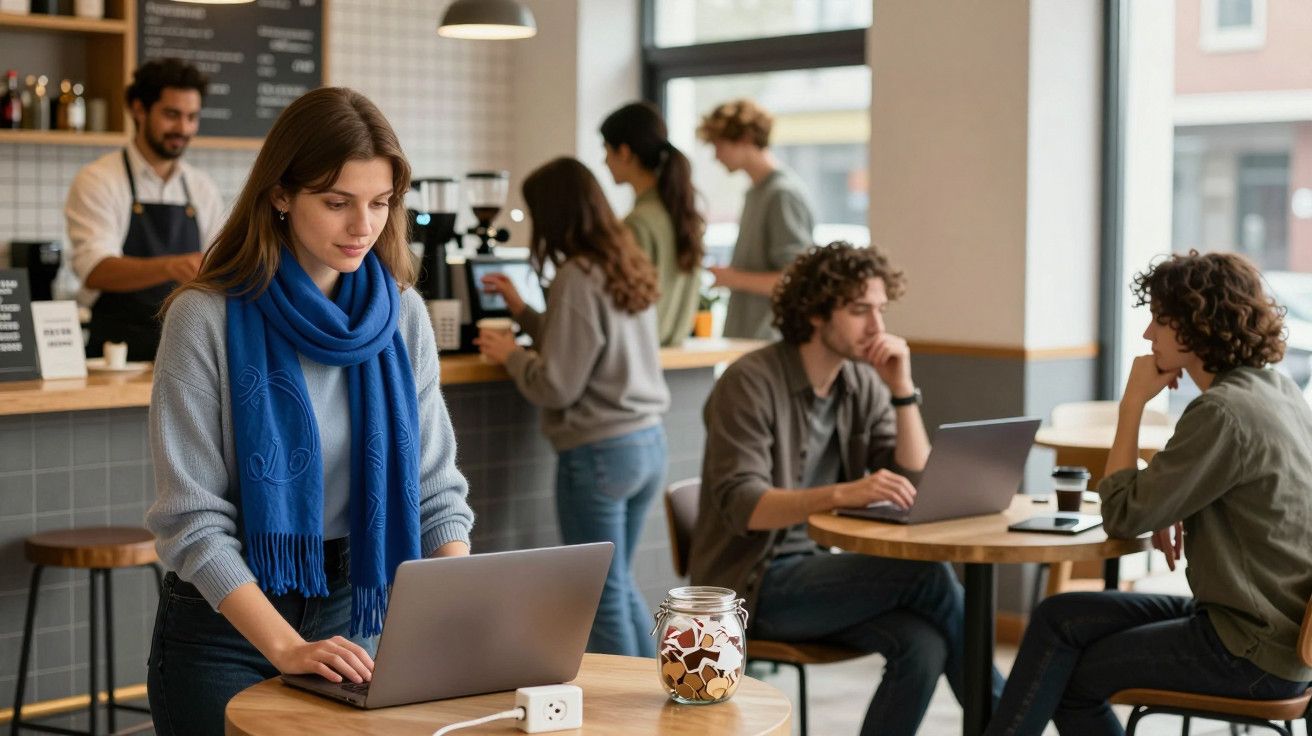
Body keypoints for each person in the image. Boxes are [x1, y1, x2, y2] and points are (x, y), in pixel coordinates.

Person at [143, 87, 475, 736]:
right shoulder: (204, 318)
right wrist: (286, 646)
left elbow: (435, 491)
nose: (363, 226)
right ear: (280, 195)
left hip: (358, 612)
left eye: (380, 203)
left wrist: (462, 608)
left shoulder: (402, 315)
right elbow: (191, 520)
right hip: (227, 629)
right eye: (337, 203)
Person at [984, 250, 1312, 736]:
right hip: (1271, 633)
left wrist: (1132, 403)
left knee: (1073, 680)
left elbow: (1121, 514)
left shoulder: (1221, 413)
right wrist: (1175, 502)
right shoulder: (1276, 390)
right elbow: (1234, 489)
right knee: (1060, 615)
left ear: (1197, 326)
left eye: (1159, 319)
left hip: (1249, 649)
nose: (1146, 334)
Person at [688, 241, 996, 736]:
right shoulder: (749, 382)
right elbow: (744, 506)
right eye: (859, 310)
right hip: (751, 588)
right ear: (815, 312)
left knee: (922, 645)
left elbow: (916, 484)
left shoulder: (861, 382)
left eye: (880, 309)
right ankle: (1009, 723)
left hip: (817, 576)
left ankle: (1004, 721)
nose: (877, 326)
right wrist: (839, 494)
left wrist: (902, 391)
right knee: (926, 575)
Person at [477, 157, 670, 657]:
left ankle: (624, 706)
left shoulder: (576, 276)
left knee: (598, 593)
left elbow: (557, 386)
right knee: (618, 582)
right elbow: (583, 345)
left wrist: (512, 355)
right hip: (646, 443)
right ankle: (652, 696)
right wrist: (524, 312)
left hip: (600, 453)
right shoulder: (622, 262)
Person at [66, 58, 225, 361]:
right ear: (139, 109)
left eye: (192, 117)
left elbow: (217, 268)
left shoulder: (202, 188)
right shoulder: (99, 180)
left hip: (186, 353)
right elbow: (95, 271)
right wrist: (171, 267)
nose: (183, 128)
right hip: (114, 356)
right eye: (171, 114)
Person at [696, 98, 815, 340]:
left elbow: (795, 281)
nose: (716, 156)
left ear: (745, 139)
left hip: (769, 341)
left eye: (719, 145)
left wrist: (732, 278)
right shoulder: (756, 192)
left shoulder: (782, 194)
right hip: (749, 339)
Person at [600, 101, 705, 346]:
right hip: (675, 358)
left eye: (606, 150)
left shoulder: (638, 223)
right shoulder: (684, 216)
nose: (604, 161)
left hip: (641, 356)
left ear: (624, 152)